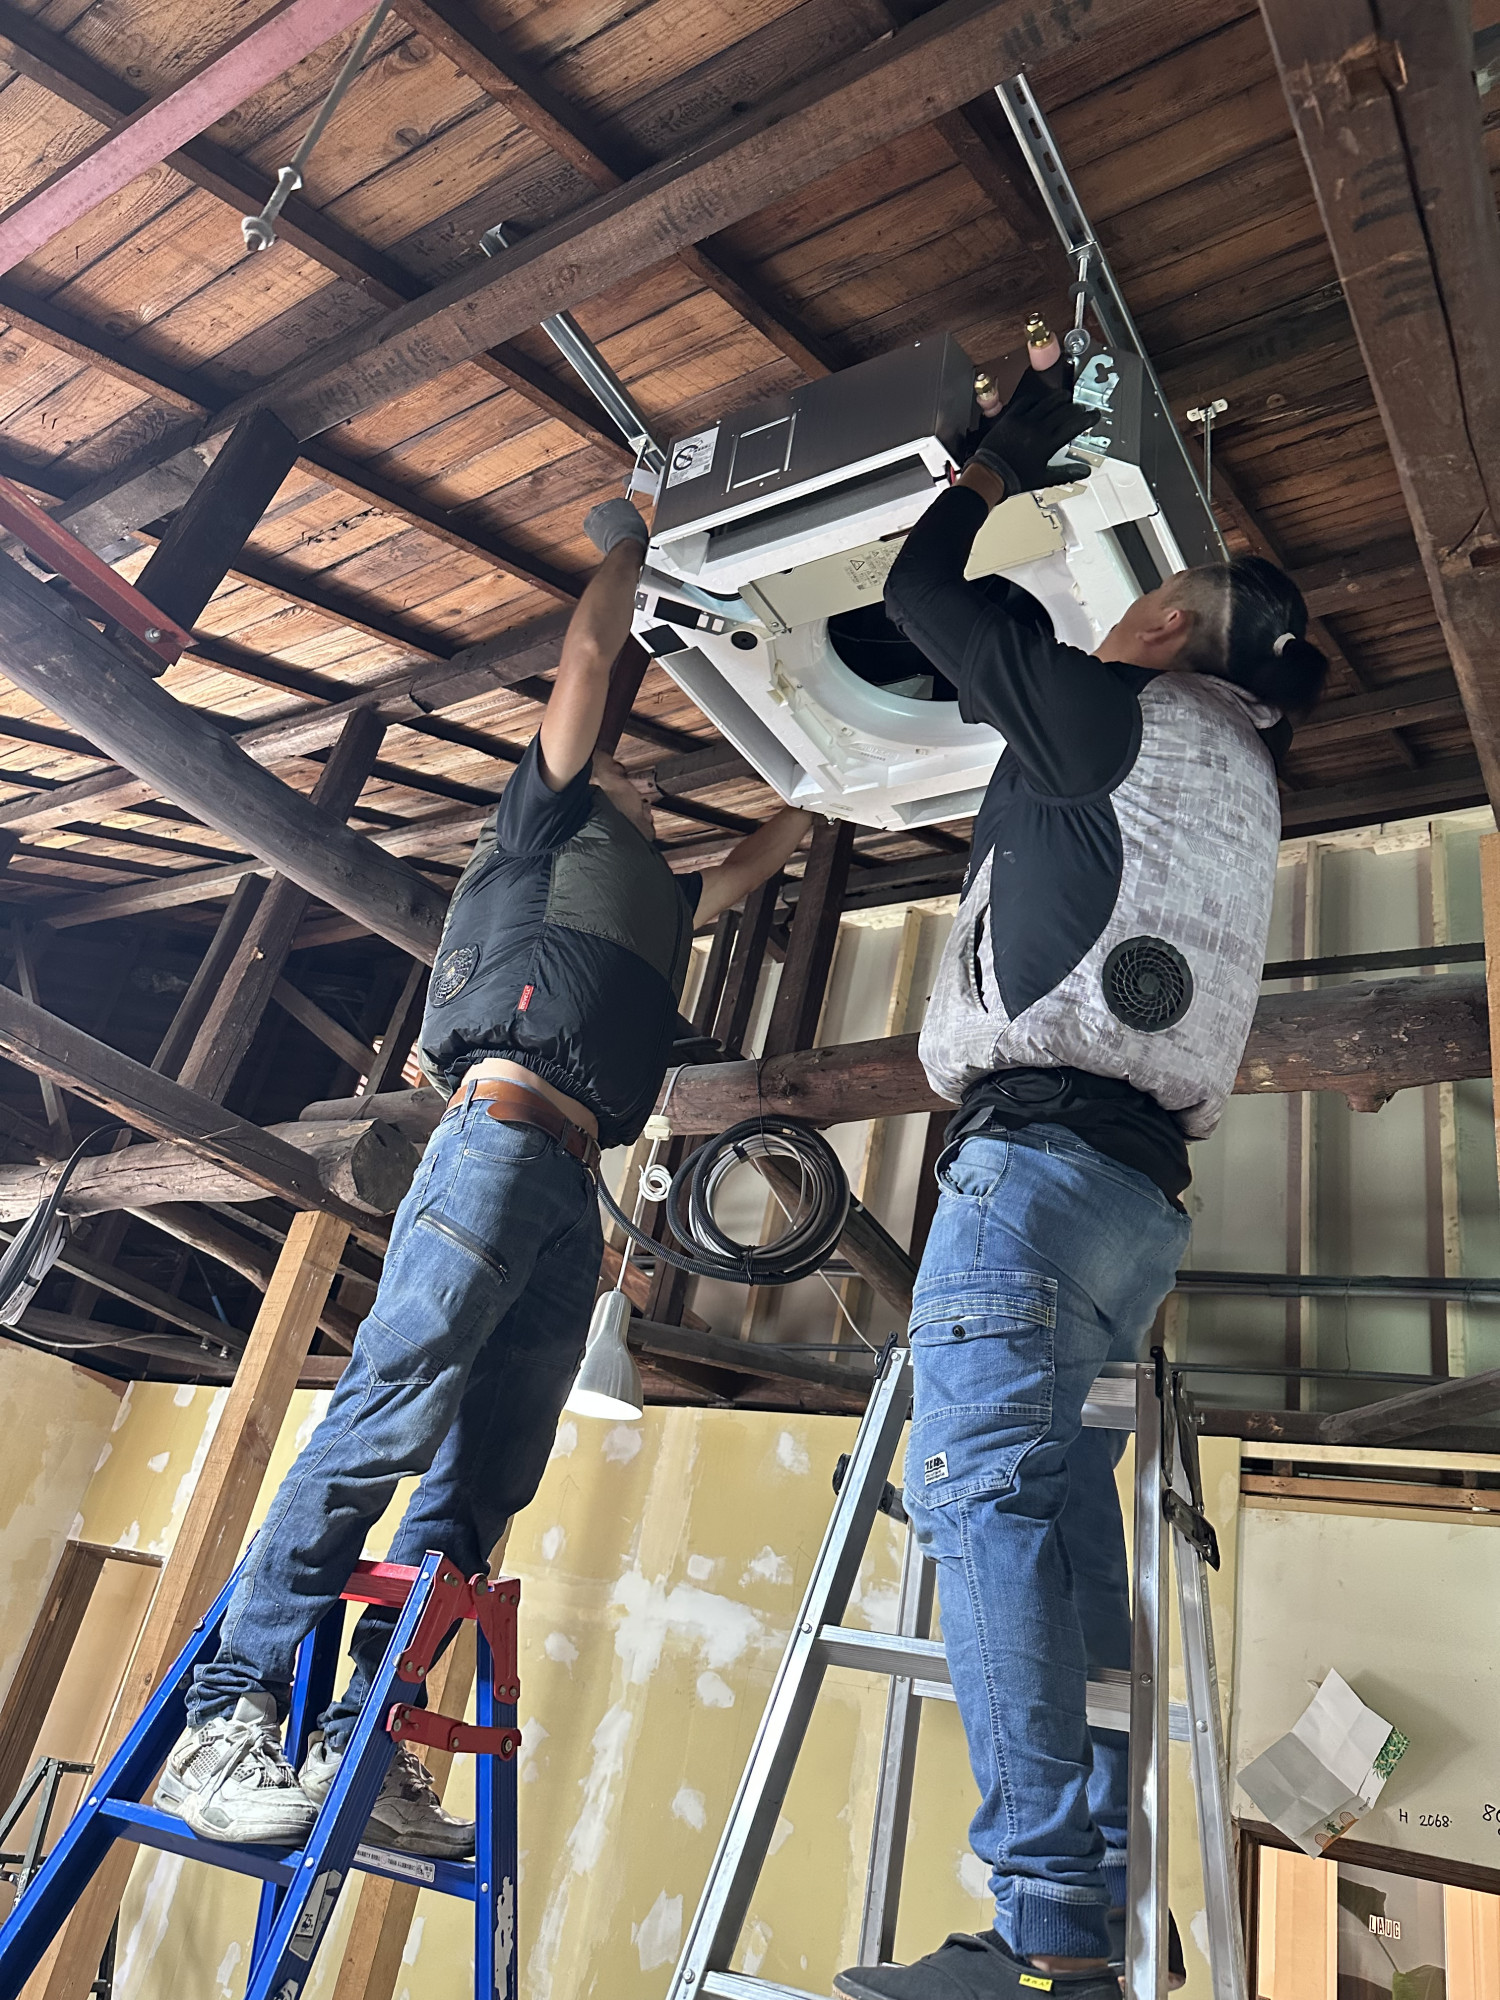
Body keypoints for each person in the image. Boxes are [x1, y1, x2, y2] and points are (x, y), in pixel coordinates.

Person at [157, 496, 814, 1856]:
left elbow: (758, 857)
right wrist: (636, 539)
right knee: (387, 1418)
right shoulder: (542, 828)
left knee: (487, 1478)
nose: (639, 778)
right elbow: (589, 659)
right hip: (496, 1140)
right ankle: (226, 1714)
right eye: (620, 767)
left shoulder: (657, 896)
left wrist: (826, 767)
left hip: (568, 1183)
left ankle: (364, 1737)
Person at [835, 362, 1327, 1999]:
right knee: (1055, 1526)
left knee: (986, 1506)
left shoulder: (1110, 713)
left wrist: (1002, 462)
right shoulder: (1245, 782)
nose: (1110, 623)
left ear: (1169, 630)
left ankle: (1050, 1925)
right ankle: (1101, 1917)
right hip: (1129, 1212)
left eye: (1133, 609)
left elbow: (919, 597)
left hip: (1037, 1179)